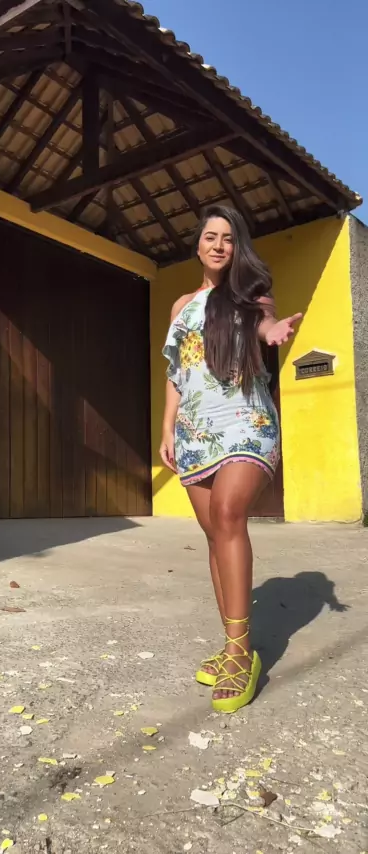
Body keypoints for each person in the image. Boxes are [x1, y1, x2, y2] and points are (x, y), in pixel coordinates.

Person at [160, 205, 302, 714]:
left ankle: (241, 655)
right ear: (198, 245)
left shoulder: (250, 295)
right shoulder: (181, 305)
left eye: (227, 238)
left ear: (237, 247)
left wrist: (273, 333)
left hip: (246, 422)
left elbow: (265, 326)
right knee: (214, 535)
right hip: (194, 432)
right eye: (210, 236)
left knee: (227, 515)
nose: (218, 245)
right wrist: (167, 428)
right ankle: (231, 643)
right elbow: (176, 373)